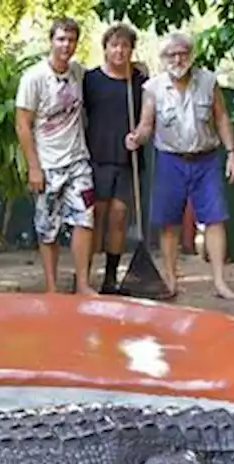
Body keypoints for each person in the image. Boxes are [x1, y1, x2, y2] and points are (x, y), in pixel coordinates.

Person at [125, 31, 234, 300]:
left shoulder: (208, 81)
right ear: (163, 58)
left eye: (182, 53)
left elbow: (222, 117)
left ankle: (220, 282)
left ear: (191, 55)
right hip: (170, 160)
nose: (177, 59)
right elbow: (146, 125)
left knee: (215, 220)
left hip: (207, 159)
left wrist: (232, 152)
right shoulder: (153, 88)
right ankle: (170, 278)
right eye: (171, 54)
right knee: (169, 223)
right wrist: (136, 138)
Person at [15, 17, 97, 295]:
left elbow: (107, 75)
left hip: (77, 161)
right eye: (61, 39)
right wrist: (33, 167)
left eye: (71, 40)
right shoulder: (34, 77)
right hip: (48, 164)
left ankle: (83, 284)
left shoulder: (78, 72)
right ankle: (51, 287)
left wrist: (136, 69)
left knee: (85, 219)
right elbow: (22, 124)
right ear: (51, 41)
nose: (66, 45)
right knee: (47, 227)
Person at [82, 23, 147, 295]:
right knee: (94, 217)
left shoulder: (140, 82)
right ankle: (83, 278)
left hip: (127, 160)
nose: (119, 50)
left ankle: (110, 279)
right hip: (96, 158)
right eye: (114, 45)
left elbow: (148, 118)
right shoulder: (90, 80)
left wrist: (139, 135)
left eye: (125, 45)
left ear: (132, 49)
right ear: (105, 49)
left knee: (119, 217)